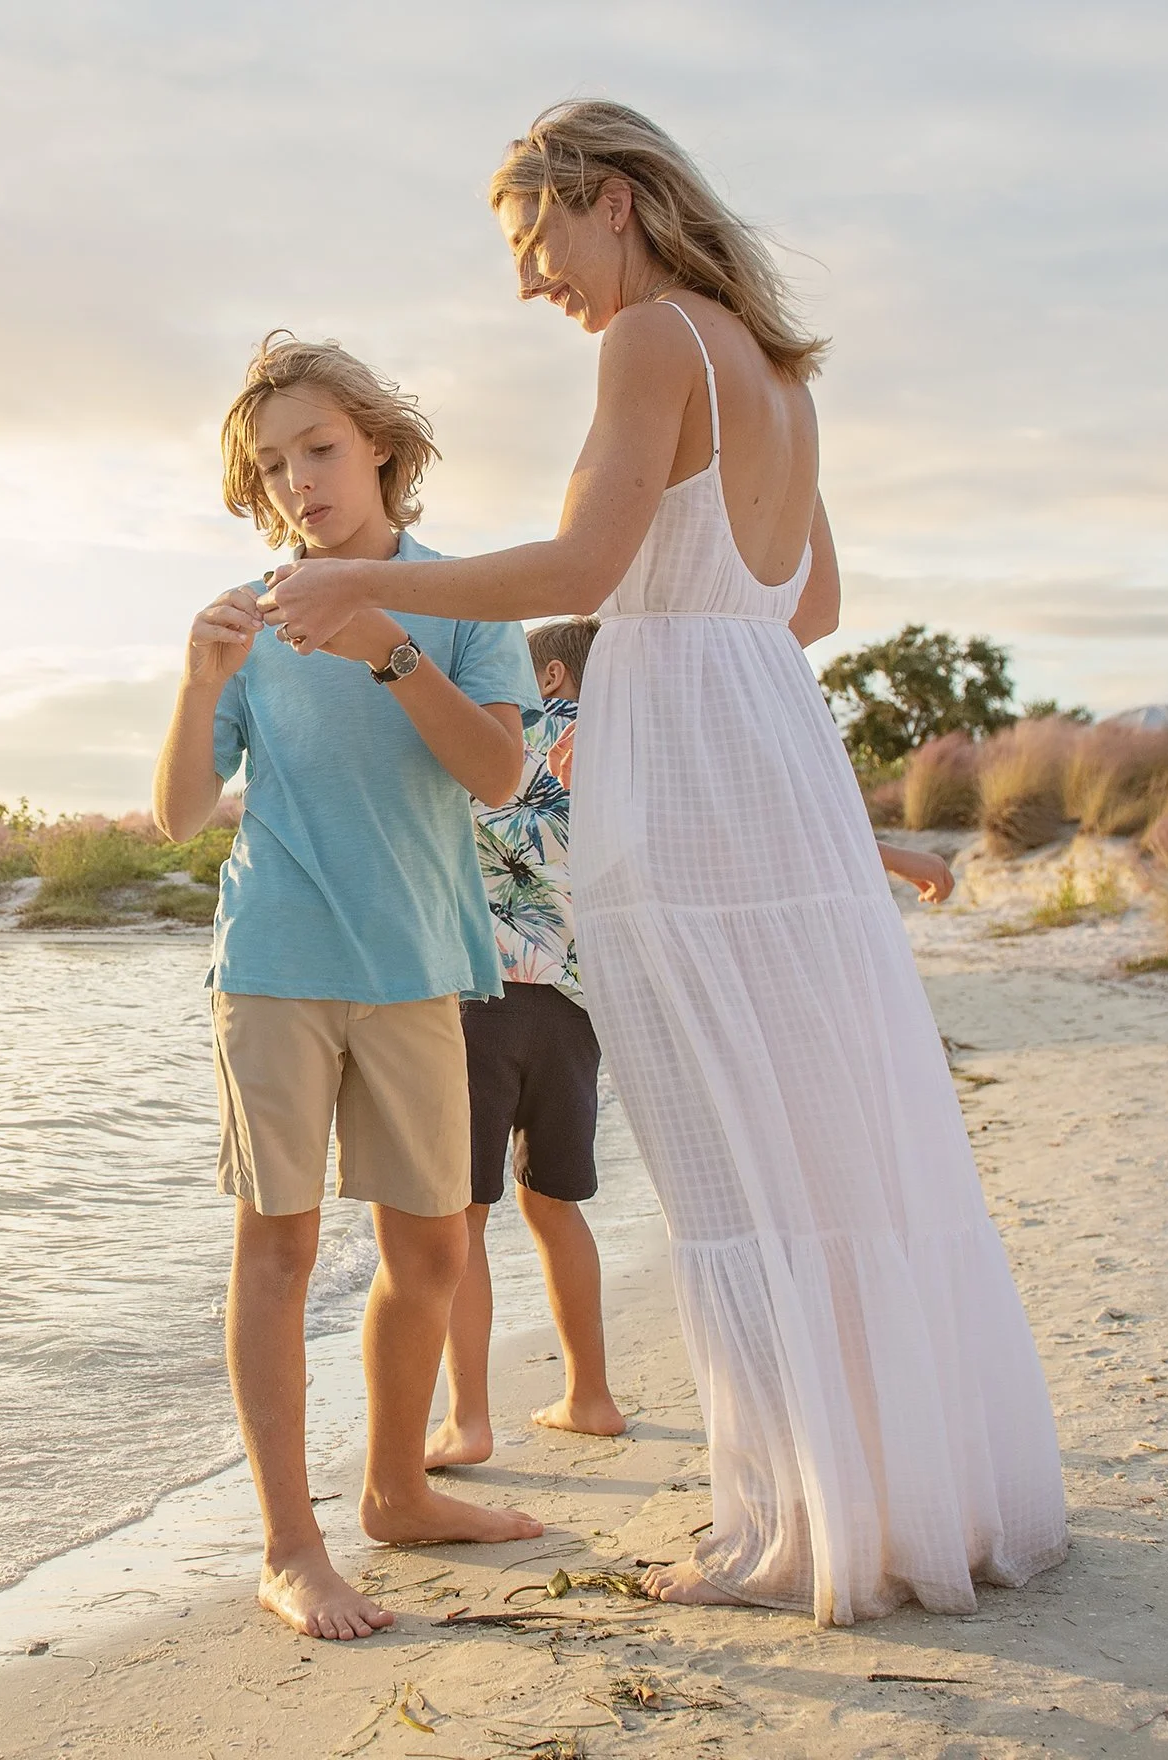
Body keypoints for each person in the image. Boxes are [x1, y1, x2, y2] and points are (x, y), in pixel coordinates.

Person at [259, 101, 1068, 1625]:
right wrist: (706, 635)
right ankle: (901, 1490)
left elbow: (580, 574)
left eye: (534, 237)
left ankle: (787, 1524)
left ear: (613, 202)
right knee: (825, 1131)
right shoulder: (776, 368)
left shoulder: (655, 344)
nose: (529, 282)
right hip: (776, 747)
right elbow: (810, 602)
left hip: (690, 771)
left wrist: (363, 579)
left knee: (723, 1152)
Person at [151, 333, 544, 1644]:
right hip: (274, 962)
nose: (297, 482)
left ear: (379, 443)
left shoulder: (468, 597)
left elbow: (499, 777)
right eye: (271, 466)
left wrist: (386, 646)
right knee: (280, 1243)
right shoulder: (250, 620)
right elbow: (177, 813)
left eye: (317, 449)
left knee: (431, 1244)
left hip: (420, 961)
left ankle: (395, 1493)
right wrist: (199, 681)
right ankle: (289, 1546)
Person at [427, 615, 626, 1472]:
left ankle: (468, 1420)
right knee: (554, 1205)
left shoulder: (507, 740)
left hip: (481, 1000)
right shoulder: (630, 760)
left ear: (547, 676)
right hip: (577, 1016)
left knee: (459, 1220)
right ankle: (591, 1395)